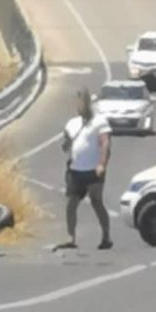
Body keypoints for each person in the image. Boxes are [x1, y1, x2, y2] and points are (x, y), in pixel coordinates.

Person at [54, 88, 113, 251]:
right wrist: (66, 144)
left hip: (93, 170)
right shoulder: (72, 123)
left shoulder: (100, 122)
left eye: (84, 102)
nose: (81, 105)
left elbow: (105, 144)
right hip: (75, 170)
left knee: (96, 202)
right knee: (71, 204)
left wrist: (102, 163)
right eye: (79, 102)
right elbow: (65, 145)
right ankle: (71, 237)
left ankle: (106, 236)